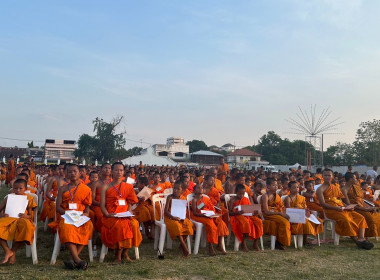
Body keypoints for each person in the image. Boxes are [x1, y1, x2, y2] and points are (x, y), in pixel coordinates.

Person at [316, 169, 373, 250]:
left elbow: (340, 200)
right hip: (331, 211)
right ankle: (356, 240)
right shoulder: (320, 189)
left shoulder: (335, 187)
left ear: (332, 176)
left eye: (329, 175)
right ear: (322, 177)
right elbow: (323, 204)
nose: (327, 177)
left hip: (342, 208)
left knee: (360, 217)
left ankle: (361, 238)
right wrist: (336, 208)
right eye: (325, 175)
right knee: (346, 220)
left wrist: (348, 207)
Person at [100, 162, 142, 263]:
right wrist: (107, 214)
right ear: (112, 172)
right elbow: (102, 205)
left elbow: (130, 202)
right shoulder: (105, 187)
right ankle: (117, 254)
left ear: (123, 172)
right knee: (119, 226)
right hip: (111, 215)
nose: (119, 172)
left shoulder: (128, 186)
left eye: (121, 170)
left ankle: (125, 253)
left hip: (125, 214)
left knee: (134, 224)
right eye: (116, 170)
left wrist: (130, 211)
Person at [55, 164, 93, 269]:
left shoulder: (86, 189)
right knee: (68, 228)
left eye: (75, 171)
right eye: (70, 172)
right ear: (66, 174)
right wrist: (68, 214)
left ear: (79, 173)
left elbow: (87, 206)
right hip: (66, 215)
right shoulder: (63, 189)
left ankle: (73, 259)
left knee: (88, 227)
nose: (72, 173)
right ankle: (77, 260)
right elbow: (58, 207)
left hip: (80, 216)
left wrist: (86, 214)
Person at [0, 179, 37, 264]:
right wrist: (2, 215)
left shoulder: (29, 198)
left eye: (21, 188)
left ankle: (13, 251)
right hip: (9, 219)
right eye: (15, 188)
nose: (18, 190)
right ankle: (7, 250)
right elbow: (0, 209)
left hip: (22, 219)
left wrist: (26, 216)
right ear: (13, 188)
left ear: (25, 188)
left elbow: (31, 215)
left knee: (26, 227)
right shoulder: (9, 197)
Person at [191, 184, 228, 255]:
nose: (200, 189)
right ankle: (210, 246)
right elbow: (195, 212)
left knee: (220, 222)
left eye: (202, 188)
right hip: (199, 216)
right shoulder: (194, 199)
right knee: (211, 225)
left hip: (209, 215)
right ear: (194, 191)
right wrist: (203, 213)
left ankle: (220, 244)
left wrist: (212, 214)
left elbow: (211, 208)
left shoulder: (206, 199)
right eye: (198, 188)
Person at [284, 181, 323, 245]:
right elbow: (289, 210)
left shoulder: (301, 198)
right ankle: (304, 240)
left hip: (302, 215)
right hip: (294, 216)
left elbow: (305, 207)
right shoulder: (288, 198)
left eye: (297, 187)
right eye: (294, 188)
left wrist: (306, 210)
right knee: (306, 222)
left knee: (318, 220)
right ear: (289, 189)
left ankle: (306, 238)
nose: (296, 189)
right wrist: (297, 209)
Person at [342, 172, 380, 238]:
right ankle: (366, 235)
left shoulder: (357, 187)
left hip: (362, 207)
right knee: (370, 218)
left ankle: (375, 234)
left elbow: (361, 200)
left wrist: (368, 207)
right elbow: (349, 205)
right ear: (351, 179)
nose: (357, 180)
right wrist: (364, 209)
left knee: (377, 215)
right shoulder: (344, 190)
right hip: (354, 209)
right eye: (355, 178)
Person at [228, 184, 263, 252]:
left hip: (247, 215)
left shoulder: (246, 199)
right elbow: (229, 212)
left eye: (243, 194)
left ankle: (255, 243)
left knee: (259, 221)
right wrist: (237, 213)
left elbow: (250, 209)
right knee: (245, 222)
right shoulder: (232, 200)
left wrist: (254, 212)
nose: (241, 195)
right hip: (236, 216)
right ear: (236, 192)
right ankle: (243, 243)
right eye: (240, 193)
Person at [164, 181, 193, 257]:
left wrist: (181, 217)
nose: (175, 190)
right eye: (174, 188)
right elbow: (166, 211)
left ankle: (181, 245)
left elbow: (183, 210)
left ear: (182, 190)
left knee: (189, 224)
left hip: (180, 217)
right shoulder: (169, 197)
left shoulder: (183, 198)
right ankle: (184, 246)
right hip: (170, 217)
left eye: (178, 189)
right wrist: (173, 217)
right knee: (177, 225)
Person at [261, 178, 291, 250]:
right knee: (284, 222)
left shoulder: (276, 196)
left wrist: (283, 213)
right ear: (268, 186)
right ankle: (280, 242)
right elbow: (266, 212)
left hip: (276, 214)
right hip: (269, 215)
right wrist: (280, 214)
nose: (276, 187)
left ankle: (278, 241)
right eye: (273, 185)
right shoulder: (265, 196)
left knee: (285, 220)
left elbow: (282, 207)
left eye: (277, 185)